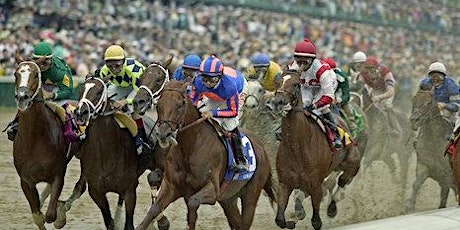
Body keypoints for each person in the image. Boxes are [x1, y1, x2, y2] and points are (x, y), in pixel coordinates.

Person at [189, 55, 249, 171]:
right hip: (216, 94)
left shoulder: (230, 86)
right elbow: (193, 102)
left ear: (220, 76)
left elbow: (233, 111)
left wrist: (213, 113)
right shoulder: (198, 81)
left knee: (230, 124)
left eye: (211, 79)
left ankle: (241, 159)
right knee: (200, 112)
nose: (206, 83)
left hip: (239, 90)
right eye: (204, 78)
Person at [6, 41, 74, 141]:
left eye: (44, 62)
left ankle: (70, 130)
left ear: (50, 60)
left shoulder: (60, 72)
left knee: (63, 110)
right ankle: (16, 124)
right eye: (38, 61)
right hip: (41, 87)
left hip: (57, 90)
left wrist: (52, 95)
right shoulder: (33, 66)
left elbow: (68, 91)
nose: (41, 65)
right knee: (26, 100)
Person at [287, 38, 342, 148]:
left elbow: (329, 97)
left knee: (321, 108)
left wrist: (313, 106)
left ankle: (336, 134)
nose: (302, 65)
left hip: (324, 86)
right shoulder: (292, 66)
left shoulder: (323, 72)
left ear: (312, 60)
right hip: (307, 86)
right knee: (302, 104)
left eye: (305, 62)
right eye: (299, 61)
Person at [97, 44, 147, 154]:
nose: (114, 69)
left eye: (117, 65)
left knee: (131, 107)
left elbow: (138, 93)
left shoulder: (134, 70)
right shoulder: (104, 71)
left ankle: (140, 138)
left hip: (137, 87)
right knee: (104, 102)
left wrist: (124, 101)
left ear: (123, 61)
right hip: (121, 85)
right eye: (110, 66)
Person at [419, 62, 460, 141]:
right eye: (433, 76)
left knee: (455, 123)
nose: (436, 79)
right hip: (430, 110)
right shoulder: (424, 83)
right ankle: (417, 137)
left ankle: (453, 140)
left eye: (439, 76)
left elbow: (456, 106)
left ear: (444, 76)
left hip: (447, 112)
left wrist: (444, 105)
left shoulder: (451, 86)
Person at [359, 56, 400, 136]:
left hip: (387, 89)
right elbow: (360, 88)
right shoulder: (363, 74)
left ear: (377, 68)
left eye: (371, 68)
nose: (369, 70)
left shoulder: (385, 72)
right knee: (369, 106)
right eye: (367, 68)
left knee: (387, 106)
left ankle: (394, 128)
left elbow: (391, 92)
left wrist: (379, 97)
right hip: (375, 89)